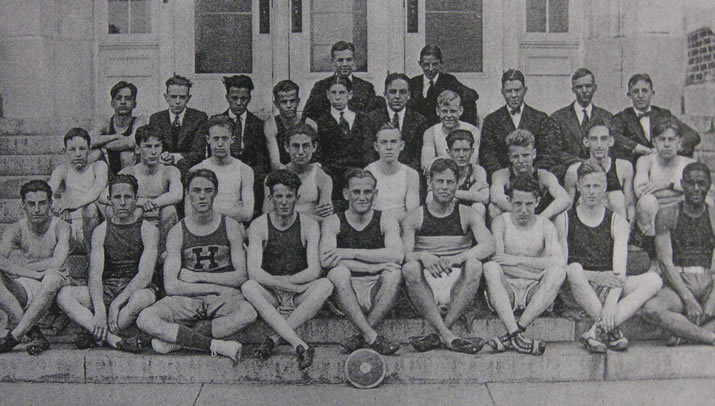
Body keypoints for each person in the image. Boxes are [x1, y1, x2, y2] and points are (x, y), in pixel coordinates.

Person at [136, 169, 256, 362]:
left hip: (222, 298)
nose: (202, 196)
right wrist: (214, 287)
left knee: (248, 312)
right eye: (196, 190)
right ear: (187, 193)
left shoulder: (230, 226)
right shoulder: (178, 231)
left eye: (208, 190)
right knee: (145, 318)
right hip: (188, 298)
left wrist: (198, 277)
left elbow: (241, 276)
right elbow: (172, 286)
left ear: (215, 193)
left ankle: (180, 339)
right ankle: (214, 345)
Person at [565, 160, 662, 353]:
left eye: (597, 186)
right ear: (578, 187)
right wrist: (595, 276)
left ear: (605, 187)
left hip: (609, 285)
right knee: (573, 269)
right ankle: (611, 329)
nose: (592, 191)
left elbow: (619, 270)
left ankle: (596, 331)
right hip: (579, 286)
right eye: (587, 186)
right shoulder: (566, 218)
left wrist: (610, 305)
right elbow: (562, 265)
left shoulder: (617, 221)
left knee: (654, 280)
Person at [242, 170, 333, 370]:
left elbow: (314, 270)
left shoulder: (309, 224)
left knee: (325, 284)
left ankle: (273, 339)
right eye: (279, 196)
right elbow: (254, 272)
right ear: (270, 197)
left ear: (297, 198)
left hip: (299, 289)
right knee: (249, 286)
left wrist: (292, 287)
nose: (284, 202)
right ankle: (299, 344)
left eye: (289, 196)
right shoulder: (259, 225)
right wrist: (284, 286)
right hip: (273, 291)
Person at [57, 175, 159, 352]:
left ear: (136, 199)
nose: (122, 202)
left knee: (143, 299)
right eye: (117, 197)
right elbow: (95, 275)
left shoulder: (148, 230)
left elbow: (145, 276)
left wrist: (116, 304)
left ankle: (94, 333)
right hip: (107, 287)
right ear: (109, 200)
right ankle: (112, 338)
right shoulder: (101, 230)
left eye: (127, 197)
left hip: (133, 290)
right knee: (64, 295)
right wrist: (100, 311)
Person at [401, 158, 494, 354]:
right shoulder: (415, 216)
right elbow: (405, 255)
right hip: (426, 285)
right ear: (430, 183)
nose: (444, 187)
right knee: (409, 268)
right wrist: (423, 256)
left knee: (475, 265)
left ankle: (440, 334)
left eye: (450, 182)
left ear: (457, 183)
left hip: (457, 285)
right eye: (439, 181)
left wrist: (459, 258)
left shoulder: (467, 213)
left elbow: (489, 245)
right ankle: (449, 336)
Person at [321, 169, 403, 355]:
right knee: (337, 273)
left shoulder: (386, 218)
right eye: (356, 192)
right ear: (346, 194)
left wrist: (349, 253)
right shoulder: (334, 221)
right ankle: (371, 336)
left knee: (394, 272)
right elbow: (326, 261)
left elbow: (397, 255)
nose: (362, 197)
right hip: (346, 291)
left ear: (375, 194)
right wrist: (374, 264)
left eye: (367, 192)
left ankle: (360, 336)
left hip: (376, 289)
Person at [483, 175, 566, 356]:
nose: (523, 210)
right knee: (490, 268)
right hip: (507, 290)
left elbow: (559, 261)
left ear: (537, 202)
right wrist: (533, 273)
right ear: (509, 201)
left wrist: (518, 260)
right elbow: (497, 260)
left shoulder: (545, 225)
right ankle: (517, 336)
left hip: (533, 293)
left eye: (528, 204)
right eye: (518, 204)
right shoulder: (501, 222)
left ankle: (515, 333)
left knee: (558, 272)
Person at [642, 162, 715, 346]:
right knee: (651, 309)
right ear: (682, 184)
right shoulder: (667, 214)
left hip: (708, 281)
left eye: (701, 183)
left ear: (709, 183)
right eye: (690, 183)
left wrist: (713, 298)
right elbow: (665, 262)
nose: (696, 188)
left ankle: (686, 334)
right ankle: (708, 336)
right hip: (679, 282)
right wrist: (688, 299)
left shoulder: (714, 215)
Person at [0, 180, 72, 355]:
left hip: (59, 286)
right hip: (29, 284)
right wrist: (33, 273)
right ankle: (35, 334)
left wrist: (22, 266)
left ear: (50, 204)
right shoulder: (15, 229)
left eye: (42, 203)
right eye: (31, 204)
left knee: (52, 277)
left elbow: (57, 262)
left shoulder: (61, 227)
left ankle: (15, 336)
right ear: (23, 205)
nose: (37, 209)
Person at [489, 129, 570, 251]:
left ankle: (562, 262)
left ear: (534, 154)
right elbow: (496, 197)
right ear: (509, 157)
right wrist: (524, 213)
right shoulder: (501, 175)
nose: (521, 161)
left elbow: (565, 199)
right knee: (493, 209)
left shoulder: (543, 176)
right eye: (516, 156)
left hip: (538, 225)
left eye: (525, 155)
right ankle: (498, 255)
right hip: (514, 223)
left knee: (561, 216)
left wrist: (538, 220)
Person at [633, 116, 696, 258]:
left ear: (679, 142)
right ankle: (651, 252)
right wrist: (679, 188)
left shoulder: (688, 163)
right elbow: (640, 190)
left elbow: (696, 191)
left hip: (679, 216)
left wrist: (667, 184)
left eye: (671, 139)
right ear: (654, 142)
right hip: (654, 218)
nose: (666, 144)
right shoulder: (646, 161)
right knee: (646, 202)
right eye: (662, 139)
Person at [479, 69, 560, 178]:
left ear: (525, 90)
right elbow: (487, 155)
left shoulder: (541, 119)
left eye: (517, 90)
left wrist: (533, 174)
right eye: (509, 91)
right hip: (504, 178)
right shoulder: (491, 120)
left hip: (535, 178)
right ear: (502, 92)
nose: (513, 95)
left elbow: (548, 153)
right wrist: (505, 176)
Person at [211, 75, 269, 216]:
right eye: (234, 98)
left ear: (249, 98)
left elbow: (262, 162)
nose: (238, 103)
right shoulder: (215, 123)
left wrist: (246, 181)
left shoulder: (258, 125)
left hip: (250, 178)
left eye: (243, 99)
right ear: (227, 97)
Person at [118, 126, 182, 252]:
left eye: (157, 146)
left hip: (162, 225)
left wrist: (153, 203)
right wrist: (140, 203)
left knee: (169, 210)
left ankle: (163, 257)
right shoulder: (129, 172)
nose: (153, 152)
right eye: (148, 146)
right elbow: (105, 196)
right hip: (136, 224)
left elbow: (177, 194)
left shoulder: (170, 171)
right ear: (137, 149)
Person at [315, 76, 375, 211]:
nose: (337, 97)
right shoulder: (321, 121)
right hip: (332, 175)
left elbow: (368, 149)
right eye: (333, 93)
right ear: (327, 95)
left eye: (341, 93)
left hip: (358, 173)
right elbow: (319, 153)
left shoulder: (363, 119)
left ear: (350, 95)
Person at [611, 73, 700, 164]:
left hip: (663, 166)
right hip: (634, 168)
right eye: (636, 91)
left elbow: (692, 135)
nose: (640, 95)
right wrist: (637, 147)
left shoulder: (663, 114)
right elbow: (613, 136)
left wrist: (673, 147)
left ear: (652, 93)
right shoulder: (622, 117)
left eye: (645, 91)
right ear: (629, 95)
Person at [48, 128, 108, 253]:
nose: (77, 154)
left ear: (89, 149)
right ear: (65, 151)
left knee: (90, 207)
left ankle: (92, 258)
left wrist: (71, 205)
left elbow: (96, 191)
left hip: (94, 224)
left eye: (82, 149)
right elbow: (47, 192)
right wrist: (59, 207)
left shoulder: (98, 167)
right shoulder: (62, 170)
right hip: (70, 224)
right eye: (72, 149)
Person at [564, 120, 635, 223]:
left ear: (611, 141)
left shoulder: (623, 167)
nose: (599, 145)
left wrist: (629, 228)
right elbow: (568, 208)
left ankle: (622, 236)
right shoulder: (574, 170)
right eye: (594, 139)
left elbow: (630, 205)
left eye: (603, 139)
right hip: (586, 221)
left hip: (615, 222)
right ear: (586, 142)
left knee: (616, 197)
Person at [550, 68, 613, 181]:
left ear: (594, 88)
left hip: (601, 174)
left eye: (588, 86)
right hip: (570, 175)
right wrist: (583, 163)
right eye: (579, 87)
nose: (584, 90)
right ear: (573, 90)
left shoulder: (606, 117)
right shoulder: (558, 118)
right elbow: (556, 152)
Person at [191, 116, 255, 223]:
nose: (220, 144)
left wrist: (206, 209)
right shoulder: (196, 170)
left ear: (232, 140)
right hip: (204, 228)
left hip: (234, 228)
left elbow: (247, 214)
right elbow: (191, 213)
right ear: (208, 140)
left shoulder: (244, 170)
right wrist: (235, 211)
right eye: (216, 138)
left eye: (224, 138)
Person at [264, 123, 333, 221]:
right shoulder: (274, 177)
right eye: (296, 146)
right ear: (287, 147)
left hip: (311, 231)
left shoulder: (322, 178)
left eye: (305, 146)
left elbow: (326, 218)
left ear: (314, 147)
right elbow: (267, 216)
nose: (301, 152)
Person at [367, 73, 428, 172]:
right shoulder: (371, 119)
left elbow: (418, 156)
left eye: (402, 92)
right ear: (385, 94)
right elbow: (369, 153)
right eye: (392, 92)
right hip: (379, 172)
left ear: (409, 95)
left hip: (408, 173)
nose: (397, 96)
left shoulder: (419, 121)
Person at [303, 41, 378, 121]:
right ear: (333, 61)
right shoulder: (320, 87)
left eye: (348, 60)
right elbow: (307, 117)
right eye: (340, 60)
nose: (345, 64)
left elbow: (372, 119)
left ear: (353, 61)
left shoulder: (366, 88)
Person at [149, 75, 208, 175]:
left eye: (182, 97)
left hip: (190, 169)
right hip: (162, 168)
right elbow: (153, 148)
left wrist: (174, 158)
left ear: (188, 98)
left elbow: (199, 153)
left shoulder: (199, 118)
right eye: (173, 97)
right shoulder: (156, 118)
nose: (177, 102)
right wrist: (163, 157)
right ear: (166, 97)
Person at [408, 45, 479, 127]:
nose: (430, 69)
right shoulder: (414, 82)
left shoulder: (449, 80)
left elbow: (472, 95)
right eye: (426, 64)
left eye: (435, 64)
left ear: (441, 63)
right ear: (420, 64)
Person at [89, 81, 147, 174]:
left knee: (126, 153)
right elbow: (90, 140)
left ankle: (126, 180)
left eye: (127, 99)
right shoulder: (106, 122)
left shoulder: (139, 121)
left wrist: (102, 143)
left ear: (134, 104)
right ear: (112, 103)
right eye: (119, 98)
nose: (123, 102)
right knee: (96, 153)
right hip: (108, 172)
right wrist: (115, 136)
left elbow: (131, 142)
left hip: (131, 171)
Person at [365, 124, 420, 220]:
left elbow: (412, 213)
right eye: (383, 142)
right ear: (376, 146)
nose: (389, 147)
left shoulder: (411, 174)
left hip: (402, 226)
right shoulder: (368, 172)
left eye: (393, 142)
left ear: (402, 145)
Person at [421, 90, 480, 171]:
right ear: (438, 111)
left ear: (460, 110)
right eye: (444, 111)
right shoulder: (431, 133)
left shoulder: (473, 131)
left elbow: (473, 162)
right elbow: (426, 165)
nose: (448, 116)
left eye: (453, 111)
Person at [264, 80, 318, 168]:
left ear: (298, 101)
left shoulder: (309, 123)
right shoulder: (271, 124)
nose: (289, 106)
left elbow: (314, 157)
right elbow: (275, 163)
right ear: (276, 104)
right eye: (284, 102)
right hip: (283, 172)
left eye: (292, 101)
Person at [442, 129, 490, 219]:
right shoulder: (443, 170)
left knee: (479, 206)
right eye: (456, 150)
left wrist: (451, 192)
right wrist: (471, 193)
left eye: (465, 150)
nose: (461, 155)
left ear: (472, 151)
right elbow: (431, 198)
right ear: (448, 152)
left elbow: (485, 197)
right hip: (448, 213)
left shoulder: (477, 170)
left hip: (470, 214)